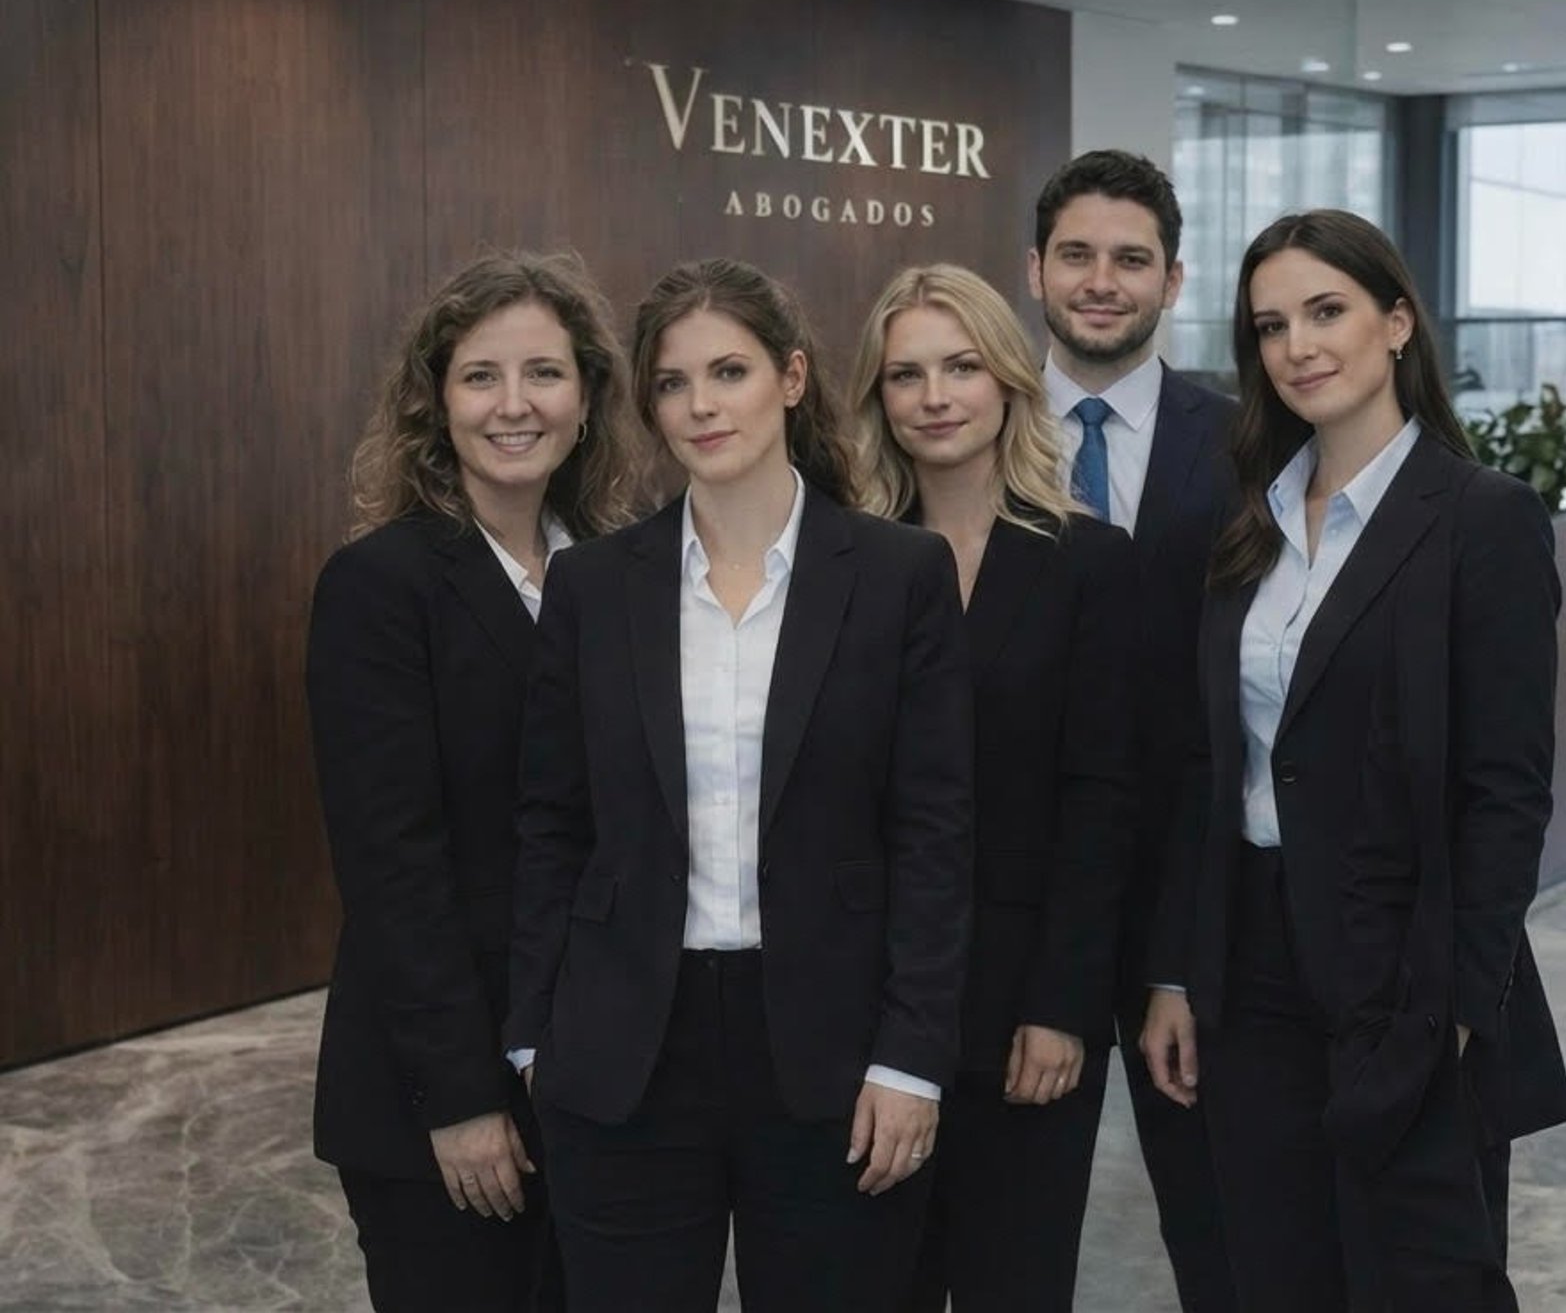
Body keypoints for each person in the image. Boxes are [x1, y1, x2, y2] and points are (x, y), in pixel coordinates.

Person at [505, 258, 973, 1313]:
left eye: (729, 370)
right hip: (626, 1041)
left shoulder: (901, 573)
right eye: (673, 383)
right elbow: (551, 823)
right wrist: (536, 1032)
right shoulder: (592, 585)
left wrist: (911, 1059)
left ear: (792, 377)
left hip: (830, 1040)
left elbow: (936, 834)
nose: (702, 405)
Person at [1141, 209, 1566, 1312]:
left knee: (1423, 1278)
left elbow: (1508, 787)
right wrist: (1183, 968)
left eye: (1326, 310)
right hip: (1251, 966)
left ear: (1395, 322)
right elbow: (1212, 766)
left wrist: (1463, 1006)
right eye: (1272, 325)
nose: (1299, 345)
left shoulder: (1485, 519)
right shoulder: (1250, 525)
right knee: (1274, 1273)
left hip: (1409, 973)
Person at [306, 249, 646, 1312]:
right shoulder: (380, 585)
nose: (514, 405)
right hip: (442, 1090)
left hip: (597, 1077)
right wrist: (460, 1097)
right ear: (435, 400)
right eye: (480, 375)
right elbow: (392, 866)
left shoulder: (613, 569)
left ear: (587, 397)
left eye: (544, 373)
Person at [844, 264, 1137, 1312]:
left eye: (962, 365)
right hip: (860, 1003)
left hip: (1028, 1005)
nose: (935, 395)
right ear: (876, 398)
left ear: (1010, 381)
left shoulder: (1090, 563)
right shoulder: (839, 566)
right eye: (906, 373)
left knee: (1017, 1279)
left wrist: (1063, 1005)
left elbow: (1102, 799)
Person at [1027, 149, 1237, 1311]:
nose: (1101, 280)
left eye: (1130, 258)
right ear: (1036, 270)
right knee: (1015, 1225)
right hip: (1027, 894)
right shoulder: (967, 426)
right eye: (1077, 255)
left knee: (1216, 1216)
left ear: (1172, 278)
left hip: (1189, 894)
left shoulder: (1252, 443)